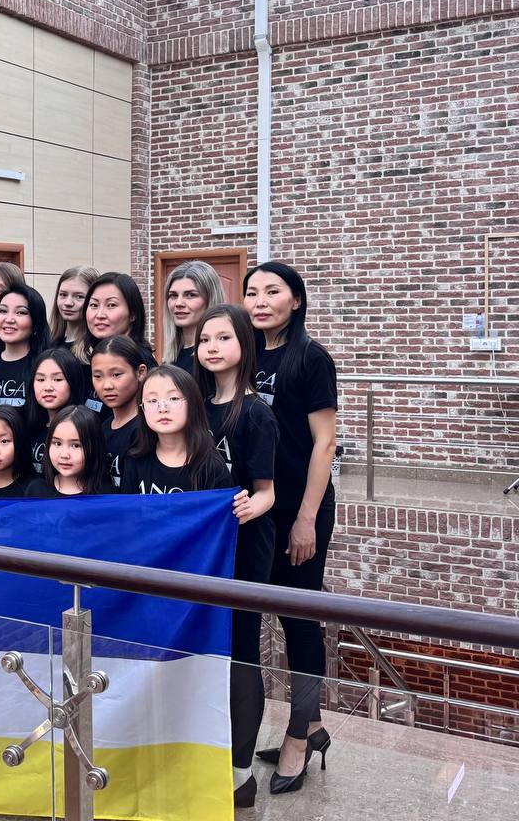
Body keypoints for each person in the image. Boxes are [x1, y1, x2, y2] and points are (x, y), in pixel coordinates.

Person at [244, 262, 338, 795]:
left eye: (272, 292)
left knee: (299, 621)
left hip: (301, 507)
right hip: (260, 506)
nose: (260, 301)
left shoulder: (310, 358)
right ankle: (314, 722)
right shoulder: (248, 354)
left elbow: (324, 444)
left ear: (296, 300)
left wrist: (306, 518)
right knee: (270, 614)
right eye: (252, 292)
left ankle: (299, 737)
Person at [193, 303, 279, 806]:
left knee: (241, 649)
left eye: (223, 338)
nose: (212, 348)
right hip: (202, 546)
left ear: (245, 345)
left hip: (245, 545)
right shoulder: (195, 405)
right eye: (206, 339)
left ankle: (241, 772)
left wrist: (250, 506)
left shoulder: (257, 413)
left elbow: (268, 492)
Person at [121, 365, 231, 494]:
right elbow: (128, 506)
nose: (162, 408)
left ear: (193, 403)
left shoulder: (212, 466)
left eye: (174, 398)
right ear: (142, 408)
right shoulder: (135, 461)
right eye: (152, 400)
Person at [90, 336, 147, 489]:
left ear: (140, 372)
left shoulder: (146, 429)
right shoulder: (103, 428)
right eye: (98, 376)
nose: (107, 385)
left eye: (116, 375)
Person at [24, 348, 90, 476]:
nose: (48, 387)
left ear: (73, 382)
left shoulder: (85, 427)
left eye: (58, 379)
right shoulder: (26, 426)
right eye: (40, 380)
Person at [74, 272, 156, 368]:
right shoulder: (89, 357)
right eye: (94, 305)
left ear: (133, 313)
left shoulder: (142, 362)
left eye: (111, 305)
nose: (100, 315)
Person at [26, 405, 112, 496]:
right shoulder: (36, 490)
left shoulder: (106, 495)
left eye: (75, 445)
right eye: (57, 443)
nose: (64, 455)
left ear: (94, 448)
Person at [0, 284, 51, 407]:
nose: (9, 319)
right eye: (3, 311)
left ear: (36, 321)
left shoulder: (47, 365)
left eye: (20, 312)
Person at [163, 260, 226, 374]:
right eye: (173, 295)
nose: (178, 303)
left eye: (190, 295)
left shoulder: (216, 357)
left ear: (210, 299)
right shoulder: (171, 358)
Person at [48, 265, 98, 351]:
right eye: (63, 294)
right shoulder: (47, 345)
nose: (68, 303)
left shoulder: (96, 349)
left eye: (79, 296)